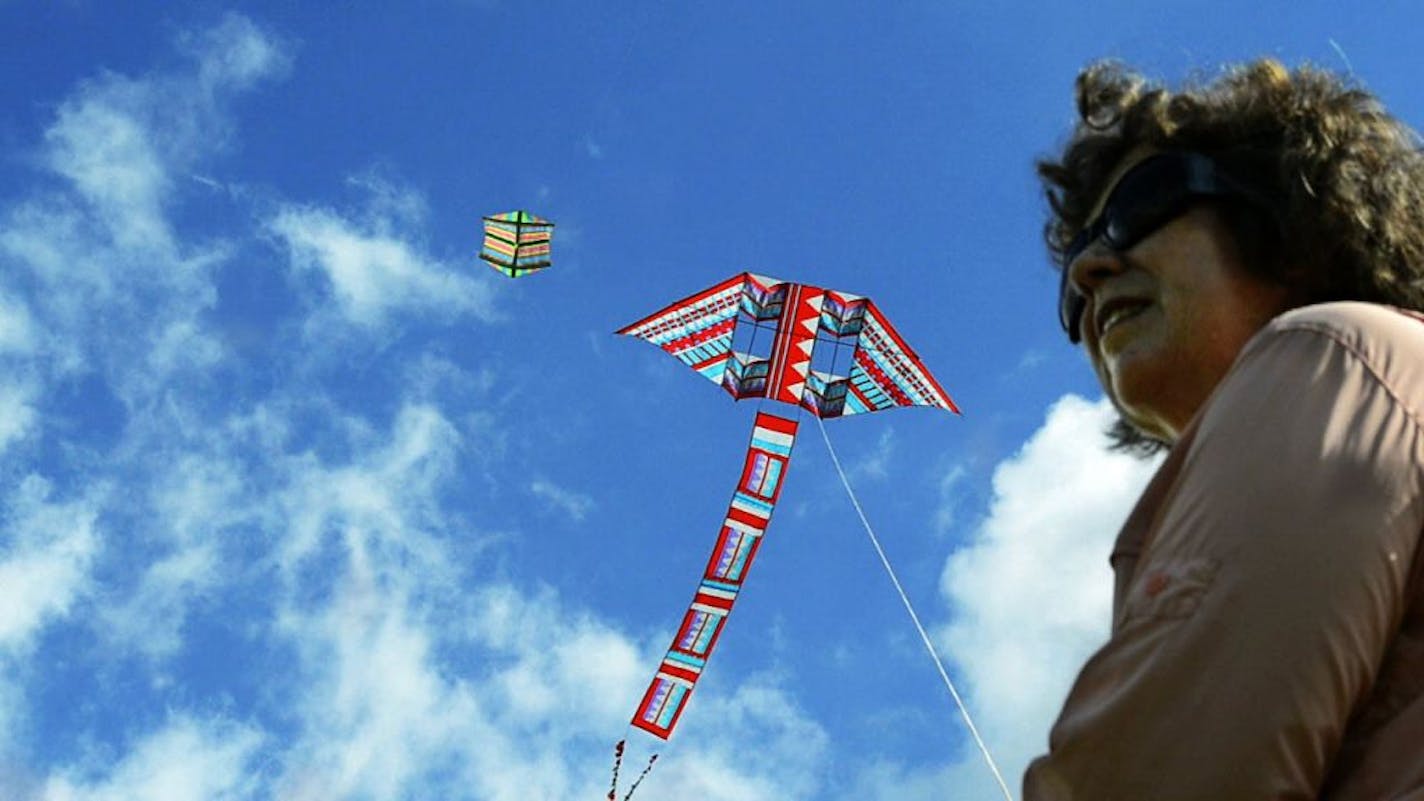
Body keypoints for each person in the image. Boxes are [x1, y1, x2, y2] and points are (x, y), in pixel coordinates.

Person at [1026, 59, 1424, 799]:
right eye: (1072, 270)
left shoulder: (1334, 353)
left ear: (1290, 222)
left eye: (1140, 208)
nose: (1091, 271)